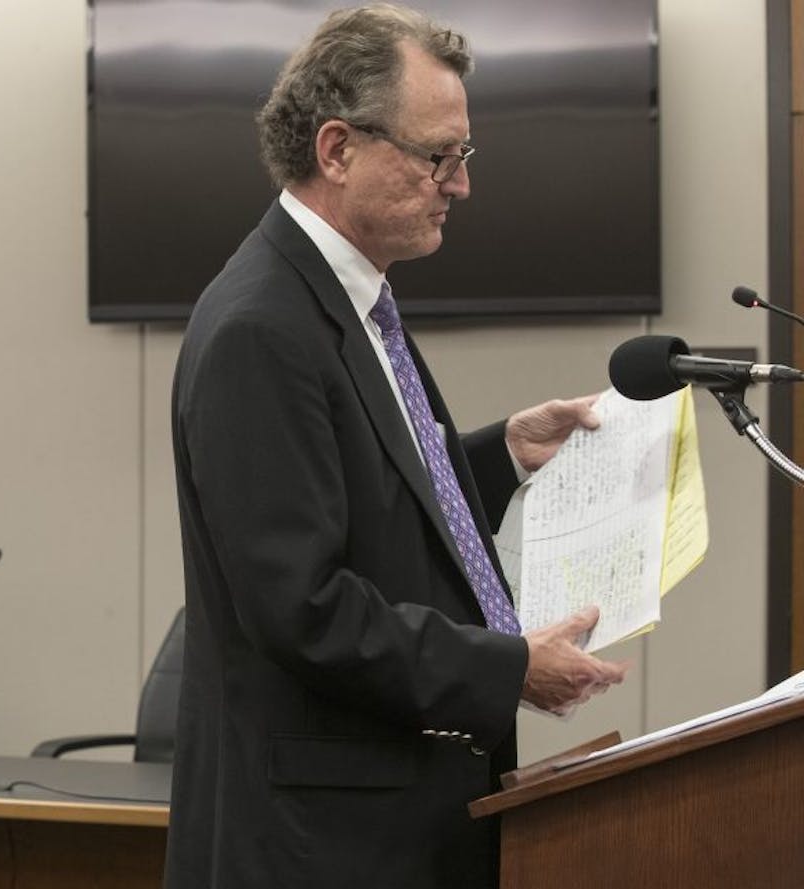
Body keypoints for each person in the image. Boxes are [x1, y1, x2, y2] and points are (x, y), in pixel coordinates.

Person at [166, 5, 628, 888]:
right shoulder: (261, 327)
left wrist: (498, 457)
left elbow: (375, 498)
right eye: (437, 156)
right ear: (337, 149)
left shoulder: (346, 293)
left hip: (384, 823)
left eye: (464, 156)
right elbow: (303, 609)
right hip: (326, 843)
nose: (460, 185)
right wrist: (510, 668)